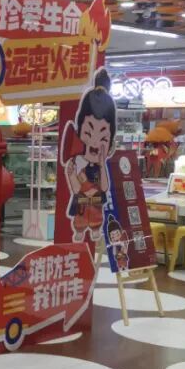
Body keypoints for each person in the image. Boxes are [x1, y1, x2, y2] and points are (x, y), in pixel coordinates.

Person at [63, 68, 116, 242]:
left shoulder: (99, 164)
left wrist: (102, 165)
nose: (94, 142)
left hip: (95, 205)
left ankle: (94, 229)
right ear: (79, 132)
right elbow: (76, 189)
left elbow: (104, 187)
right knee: (80, 218)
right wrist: (72, 174)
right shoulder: (77, 161)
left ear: (110, 143)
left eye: (103, 137)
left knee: (95, 218)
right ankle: (80, 229)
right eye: (88, 132)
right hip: (82, 203)